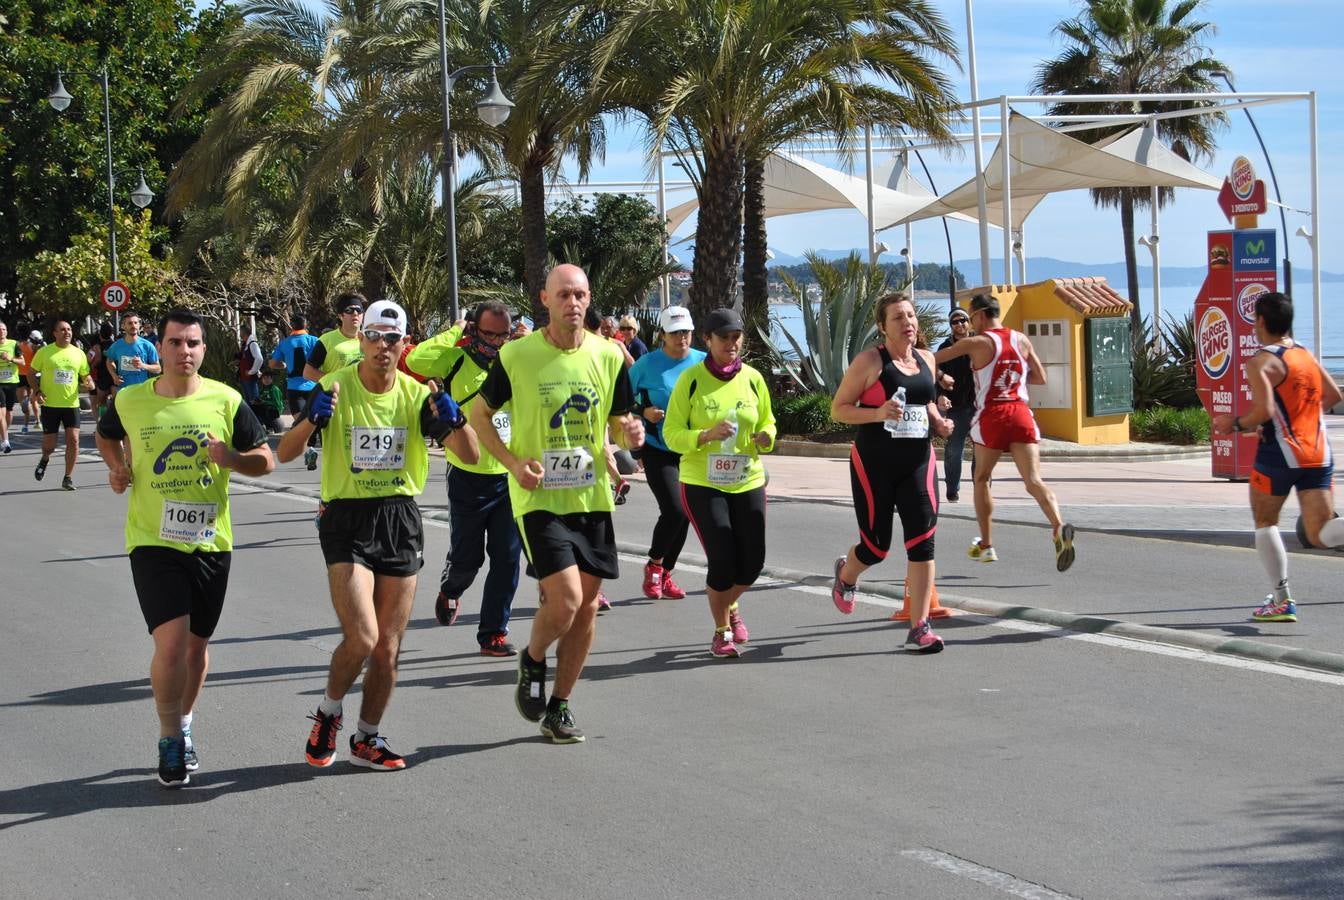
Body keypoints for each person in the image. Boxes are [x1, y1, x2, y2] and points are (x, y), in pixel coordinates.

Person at [282, 300, 478, 771]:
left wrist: (454, 418)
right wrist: (311, 417)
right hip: (346, 516)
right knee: (363, 636)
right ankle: (328, 712)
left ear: (404, 344)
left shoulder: (415, 394)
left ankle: (366, 739)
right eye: (374, 336)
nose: (382, 346)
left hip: (399, 518)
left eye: (392, 339)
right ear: (361, 339)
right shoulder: (335, 387)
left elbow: (469, 456)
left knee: (388, 646)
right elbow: (287, 453)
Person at [95, 308, 275, 788]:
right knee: (171, 643)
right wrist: (117, 469)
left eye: (193, 343)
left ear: (203, 349)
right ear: (161, 346)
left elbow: (267, 460)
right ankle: (169, 736)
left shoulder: (227, 398)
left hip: (210, 540)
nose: (185, 352)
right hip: (153, 540)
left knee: (197, 645)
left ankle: (187, 722)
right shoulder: (131, 400)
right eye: (175, 343)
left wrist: (232, 458)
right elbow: (106, 436)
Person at [471, 263, 643, 743]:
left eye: (582, 294)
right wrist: (510, 462)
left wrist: (630, 433)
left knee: (586, 609)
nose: (574, 303)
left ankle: (560, 707)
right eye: (564, 294)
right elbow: (479, 414)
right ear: (544, 299)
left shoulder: (610, 356)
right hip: (538, 497)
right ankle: (532, 657)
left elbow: (618, 421)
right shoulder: (517, 355)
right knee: (565, 599)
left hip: (591, 496)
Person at [829, 293, 954, 653]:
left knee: (923, 541)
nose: (908, 323)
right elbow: (839, 409)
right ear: (883, 327)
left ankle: (920, 626)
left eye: (911, 316)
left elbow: (924, 400)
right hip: (875, 463)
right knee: (875, 546)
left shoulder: (927, 359)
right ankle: (846, 575)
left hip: (918, 460)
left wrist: (939, 422)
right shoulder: (869, 361)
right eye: (898, 317)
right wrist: (878, 413)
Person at [1211, 291, 1344, 623]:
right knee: (1320, 533)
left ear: (1261, 321)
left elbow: (1264, 410)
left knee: (1265, 521)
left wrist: (1235, 424)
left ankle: (1282, 600)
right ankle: (1281, 601)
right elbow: (1332, 395)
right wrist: (1299, 414)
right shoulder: (1304, 354)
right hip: (1318, 453)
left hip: (1280, 454)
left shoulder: (1260, 362)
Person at [406, 301, 523, 657]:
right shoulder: (456, 359)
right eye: (490, 334)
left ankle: (493, 633)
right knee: (468, 559)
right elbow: (415, 362)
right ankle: (451, 589)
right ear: (473, 329)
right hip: (467, 474)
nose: (499, 342)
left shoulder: (516, 361)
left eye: (505, 334)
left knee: (507, 559)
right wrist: (454, 330)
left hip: (508, 476)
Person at [663, 307, 776, 658]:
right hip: (702, 480)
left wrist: (765, 438)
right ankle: (721, 630)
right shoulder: (692, 380)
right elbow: (671, 435)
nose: (731, 342)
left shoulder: (754, 378)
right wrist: (705, 435)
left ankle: (729, 604)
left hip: (747, 478)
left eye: (736, 336)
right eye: (724, 337)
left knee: (753, 562)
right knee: (723, 559)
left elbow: (770, 421)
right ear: (707, 340)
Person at [934, 293, 1076, 571]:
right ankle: (1058, 527)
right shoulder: (1021, 339)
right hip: (1021, 412)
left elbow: (932, 358)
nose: (970, 323)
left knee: (982, 478)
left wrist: (939, 377)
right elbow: (1040, 377)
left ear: (981, 315)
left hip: (993, 413)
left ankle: (987, 544)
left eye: (971, 316)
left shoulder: (977, 342)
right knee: (1034, 481)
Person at [627, 305, 705, 600]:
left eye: (685, 332)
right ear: (662, 335)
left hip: (693, 447)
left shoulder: (703, 362)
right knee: (675, 508)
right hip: (658, 448)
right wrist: (642, 411)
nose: (681, 338)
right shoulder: (645, 365)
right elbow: (620, 400)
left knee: (686, 514)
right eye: (674, 333)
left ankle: (665, 572)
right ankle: (654, 565)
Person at [28, 320, 92, 490]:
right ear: (55, 333)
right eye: (62, 330)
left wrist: (89, 383)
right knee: (49, 446)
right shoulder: (44, 352)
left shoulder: (79, 354)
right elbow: (31, 374)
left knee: (74, 440)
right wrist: (38, 391)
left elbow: (86, 375)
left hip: (71, 404)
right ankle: (45, 458)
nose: (67, 332)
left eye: (69, 329)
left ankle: (68, 477)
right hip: (50, 405)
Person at [270, 314, 321, 469]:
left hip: (295, 389)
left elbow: (272, 363)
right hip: (314, 386)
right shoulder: (315, 341)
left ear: (292, 326)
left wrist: (283, 366)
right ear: (306, 326)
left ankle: (310, 450)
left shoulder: (285, 343)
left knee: (301, 424)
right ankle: (313, 448)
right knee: (313, 421)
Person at [936, 307, 976, 502]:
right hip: (957, 407)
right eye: (955, 322)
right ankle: (952, 489)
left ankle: (982, 487)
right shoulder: (945, 348)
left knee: (982, 450)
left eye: (963, 320)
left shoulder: (979, 343)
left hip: (979, 407)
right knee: (954, 450)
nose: (960, 324)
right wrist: (941, 395)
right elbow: (936, 373)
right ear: (951, 325)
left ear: (969, 322)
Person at [105, 313, 162, 393]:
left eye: (135, 323)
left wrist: (143, 365)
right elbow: (109, 361)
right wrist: (114, 376)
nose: (133, 326)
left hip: (142, 390)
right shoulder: (116, 346)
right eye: (130, 323)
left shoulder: (147, 345)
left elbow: (158, 369)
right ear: (123, 326)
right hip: (124, 391)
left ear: (139, 325)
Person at [17, 330, 43, 433]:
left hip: (27, 375)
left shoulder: (20, 346)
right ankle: (37, 422)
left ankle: (28, 424)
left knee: (27, 401)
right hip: (27, 375)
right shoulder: (35, 346)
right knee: (29, 401)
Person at [0, 321, 19, 452]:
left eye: (4, 329)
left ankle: (3, 434)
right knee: (0, 412)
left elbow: (22, 361)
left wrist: (10, 358)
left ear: (7, 331)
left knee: (9, 412)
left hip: (11, 381)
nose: (1, 332)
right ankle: (6, 441)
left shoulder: (13, 344)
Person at [238, 328, 264, 404]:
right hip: (244, 378)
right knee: (248, 402)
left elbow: (259, 359)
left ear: (245, 333)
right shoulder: (246, 344)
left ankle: (257, 416)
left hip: (250, 379)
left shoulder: (252, 344)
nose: (240, 334)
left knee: (254, 402)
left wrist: (251, 372)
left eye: (241, 332)